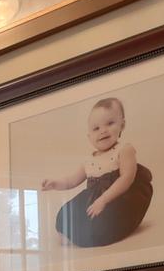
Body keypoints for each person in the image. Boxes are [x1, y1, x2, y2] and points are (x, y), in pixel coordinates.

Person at [42, 96, 154, 247]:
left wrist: (104, 200)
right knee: (66, 214)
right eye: (96, 128)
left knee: (103, 224)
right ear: (89, 137)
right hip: (94, 199)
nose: (103, 131)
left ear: (122, 124)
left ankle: (96, 233)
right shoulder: (90, 160)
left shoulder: (124, 150)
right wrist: (55, 183)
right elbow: (72, 180)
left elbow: (127, 178)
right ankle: (73, 233)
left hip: (119, 197)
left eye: (110, 123)